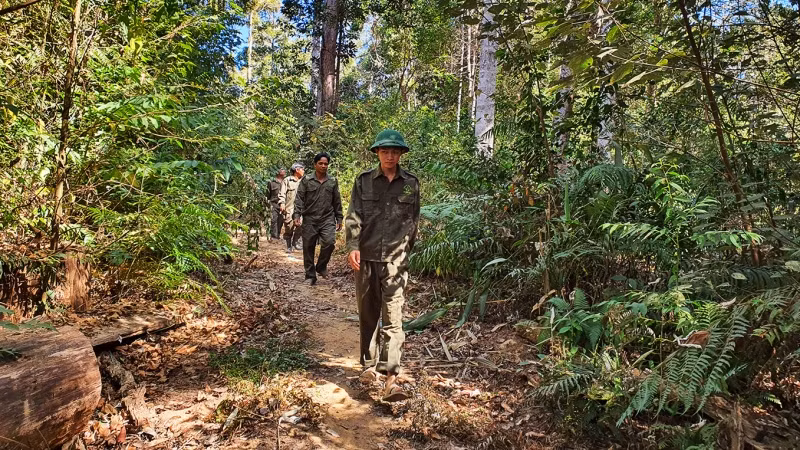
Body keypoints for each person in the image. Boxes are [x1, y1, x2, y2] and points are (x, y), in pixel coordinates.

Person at [344, 129, 420, 402]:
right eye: (385, 151)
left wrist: (405, 251)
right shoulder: (364, 181)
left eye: (395, 151)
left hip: (396, 261)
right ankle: (368, 366)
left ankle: (390, 378)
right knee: (368, 313)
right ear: (377, 152)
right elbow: (353, 215)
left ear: (401, 154)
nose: (390, 156)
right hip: (366, 258)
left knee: (393, 317)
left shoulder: (411, 183)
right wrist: (352, 246)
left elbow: (414, 220)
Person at [293, 152, 343, 286]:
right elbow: (299, 198)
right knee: (308, 246)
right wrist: (297, 215)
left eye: (326, 164)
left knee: (329, 242)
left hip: (327, 218)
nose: (323, 166)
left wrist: (339, 218)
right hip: (310, 218)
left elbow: (337, 201)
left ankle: (321, 266)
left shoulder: (332, 181)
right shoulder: (307, 180)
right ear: (315, 165)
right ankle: (310, 275)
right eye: (320, 163)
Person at [278, 163, 304, 253]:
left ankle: (295, 244)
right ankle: (288, 246)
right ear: (297, 170)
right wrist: (282, 203)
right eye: (302, 169)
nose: (303, 171)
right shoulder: (287, 180)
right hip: (289, 209)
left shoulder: (304, 181)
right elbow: (282, 193)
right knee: (289, 228)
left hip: (301, 209)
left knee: (301, 225)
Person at [267, 169, 286, 241]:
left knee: (280, 220)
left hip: (282, 205)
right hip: (273, 204)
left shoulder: (285, 182)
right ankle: (274, 236)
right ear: (278, 172)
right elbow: (268, 194)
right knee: (274, 220)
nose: (284, 172)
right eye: (282, 170)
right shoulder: (271, 182)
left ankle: (277, 234)